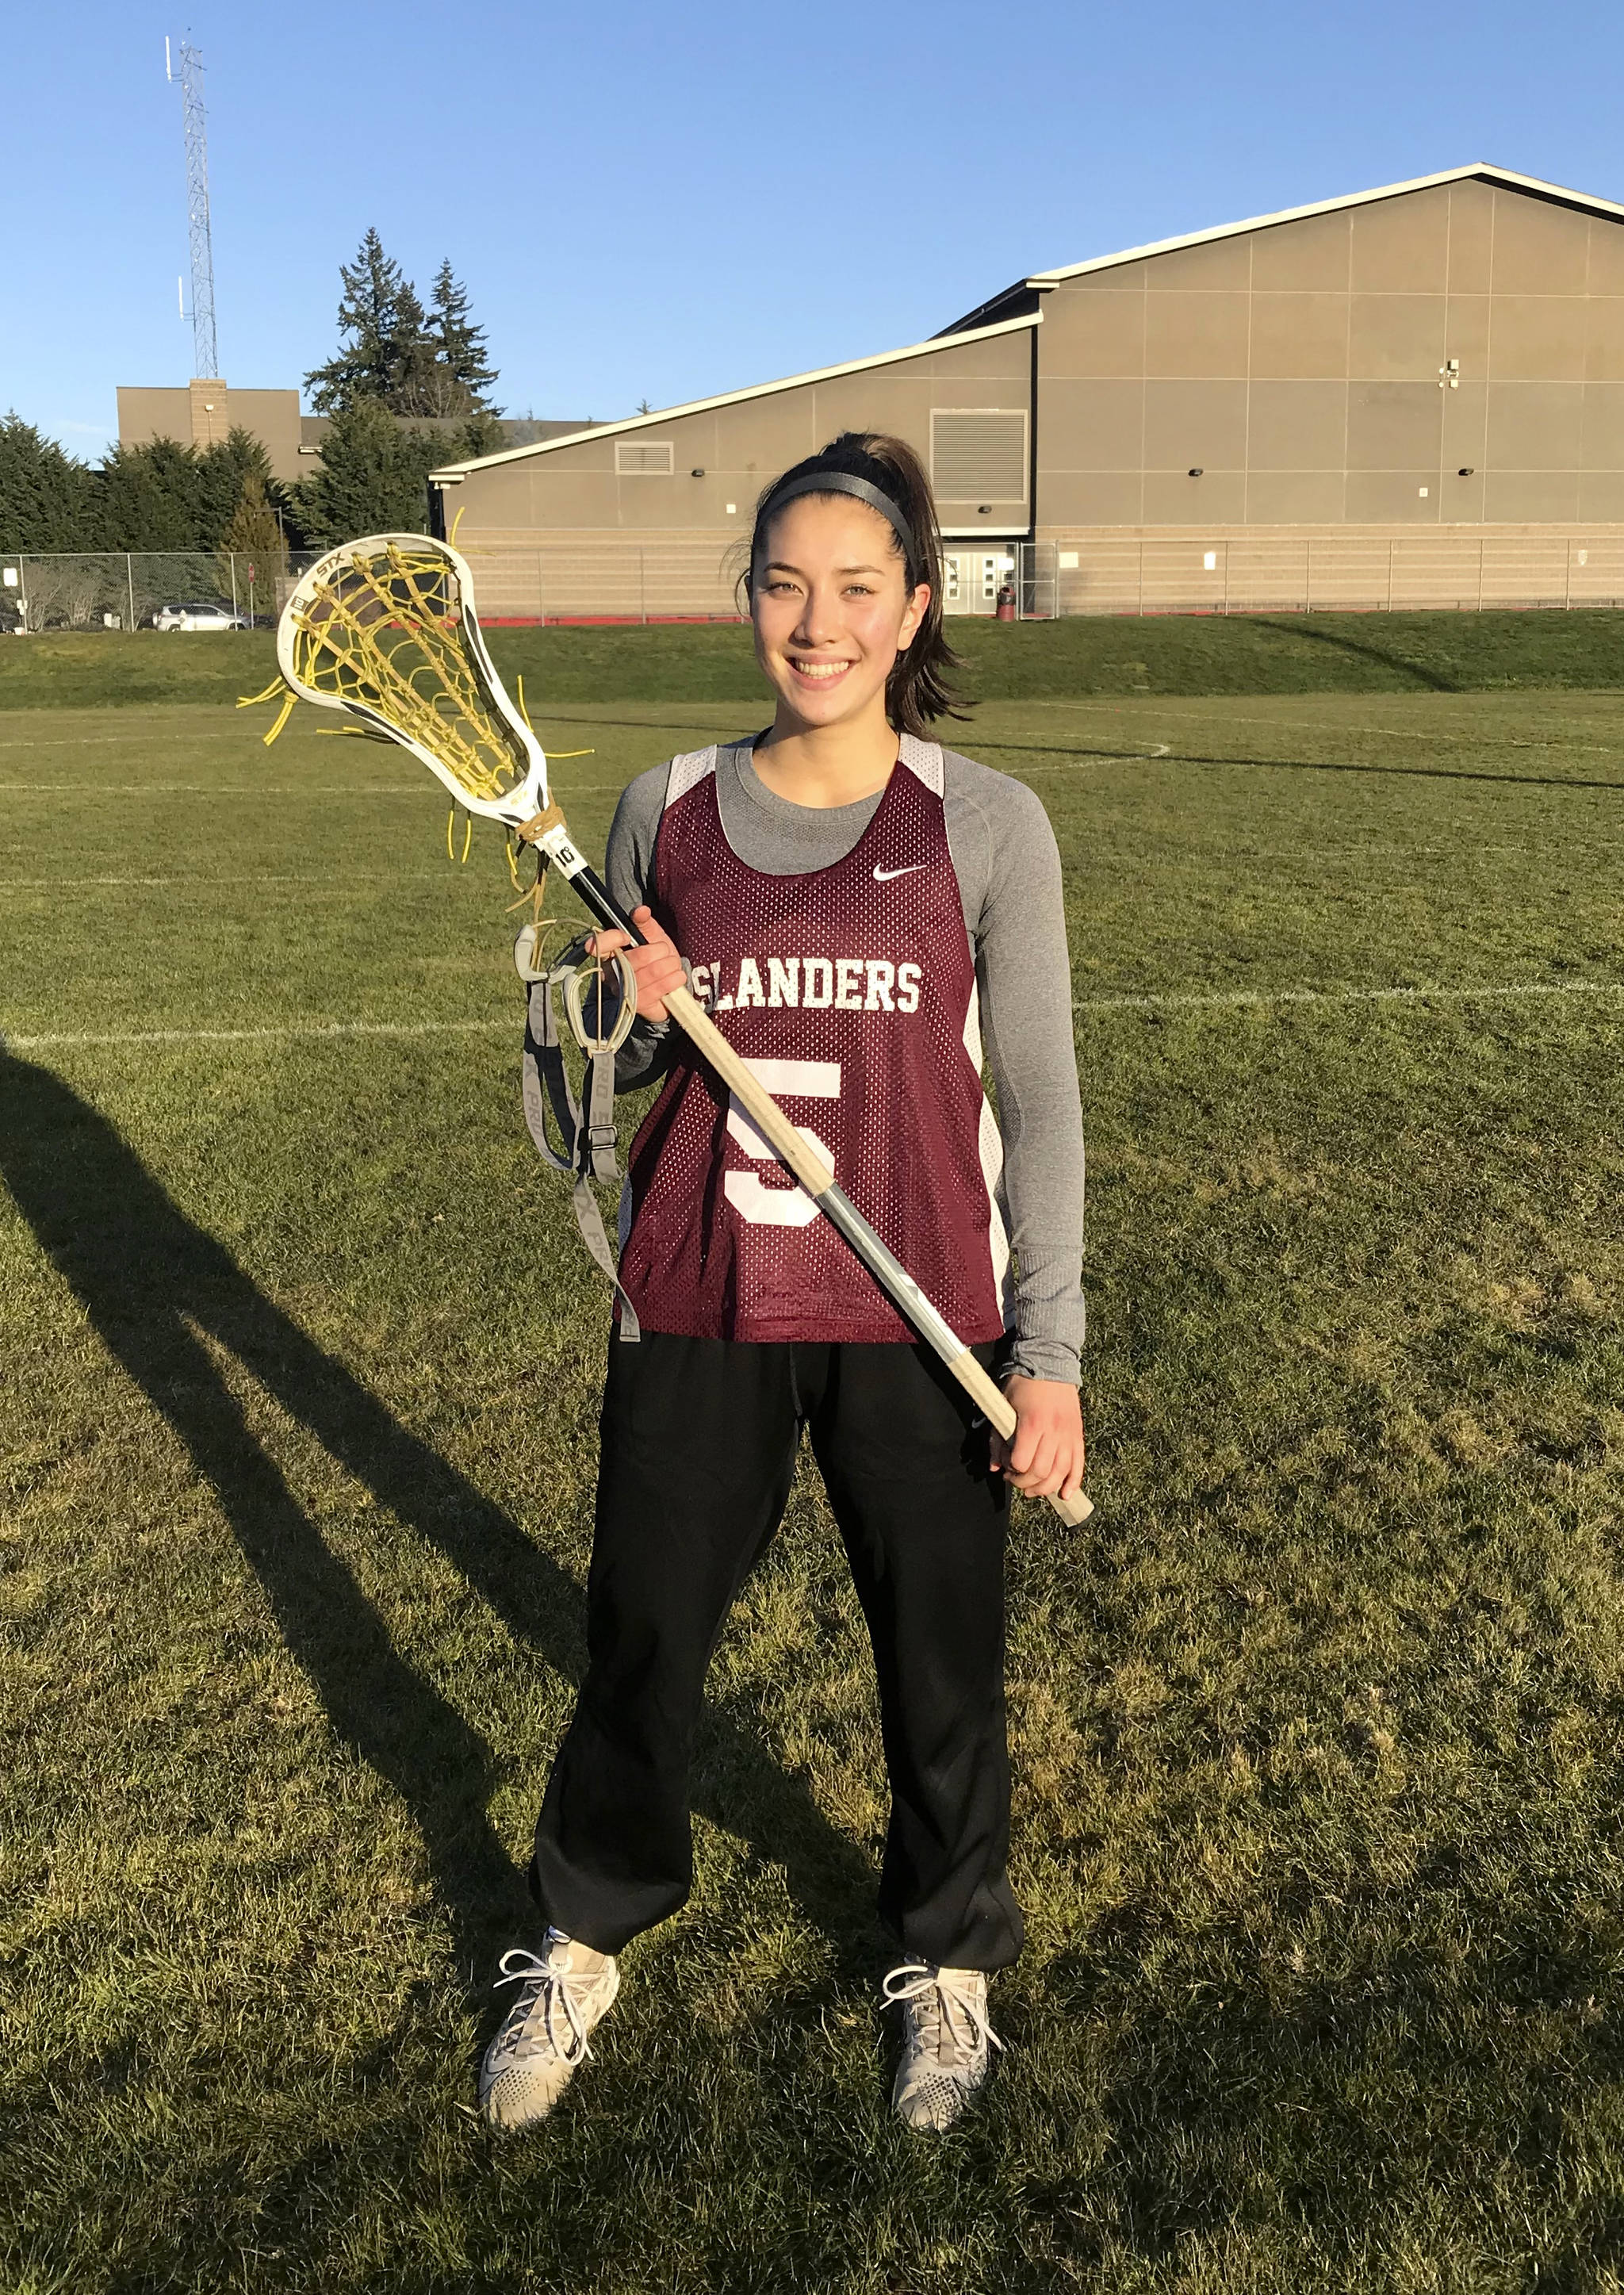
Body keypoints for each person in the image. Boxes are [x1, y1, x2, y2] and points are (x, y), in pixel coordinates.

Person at [479, 433, 1086, 2136]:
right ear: (747, 596)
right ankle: (584, 1927)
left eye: (852, 590)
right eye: (781, 584)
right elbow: (589, 1109)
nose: (812, 622)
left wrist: (1050, 1352)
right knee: (644, 1638)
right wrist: (614, 1021)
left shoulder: (987, 826)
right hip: (701, 1303)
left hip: (918, 1322)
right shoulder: (660, 807)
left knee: (938, 1658)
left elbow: (1036, 1107)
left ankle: (945, 1956)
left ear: (909, 612)